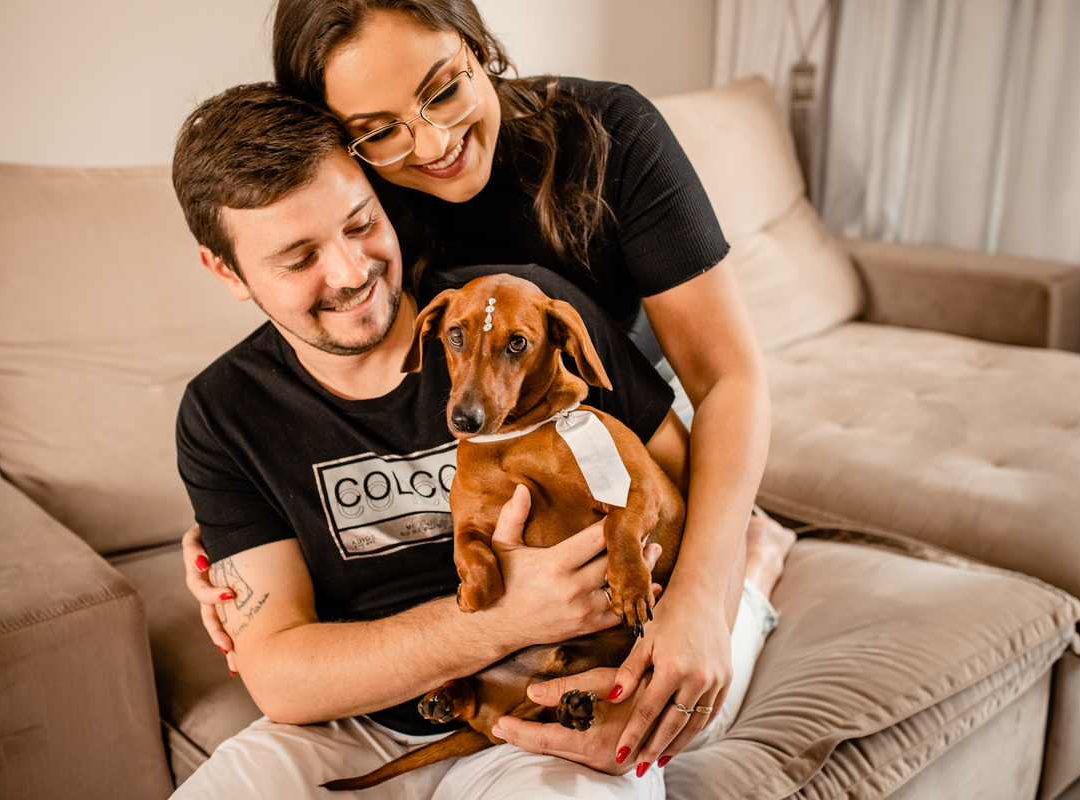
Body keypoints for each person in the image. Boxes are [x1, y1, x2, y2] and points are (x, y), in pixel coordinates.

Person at [171, 82, 793, 799]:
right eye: (297, 257)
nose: (350, 272)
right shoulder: (224, 412)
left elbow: (681, 491)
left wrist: (688, 627)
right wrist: (505, 620)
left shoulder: (523, 309)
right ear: (226, 269)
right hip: (358, 720)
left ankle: (758, 573)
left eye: (359, 223)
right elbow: (280, 675)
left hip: (566, 697)